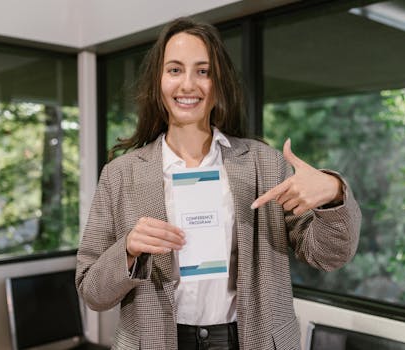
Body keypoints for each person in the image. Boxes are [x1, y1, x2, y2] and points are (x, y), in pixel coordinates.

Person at [76, 17, 361, 350]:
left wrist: (333, 193)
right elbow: (91, 291)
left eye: (203, 71)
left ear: (219, 83)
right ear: (158, 82)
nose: (187, 85)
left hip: (249, 340)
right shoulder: (120, 174)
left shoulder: (264, 163)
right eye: (174, 70)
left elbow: (328, 256)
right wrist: (128, 249)